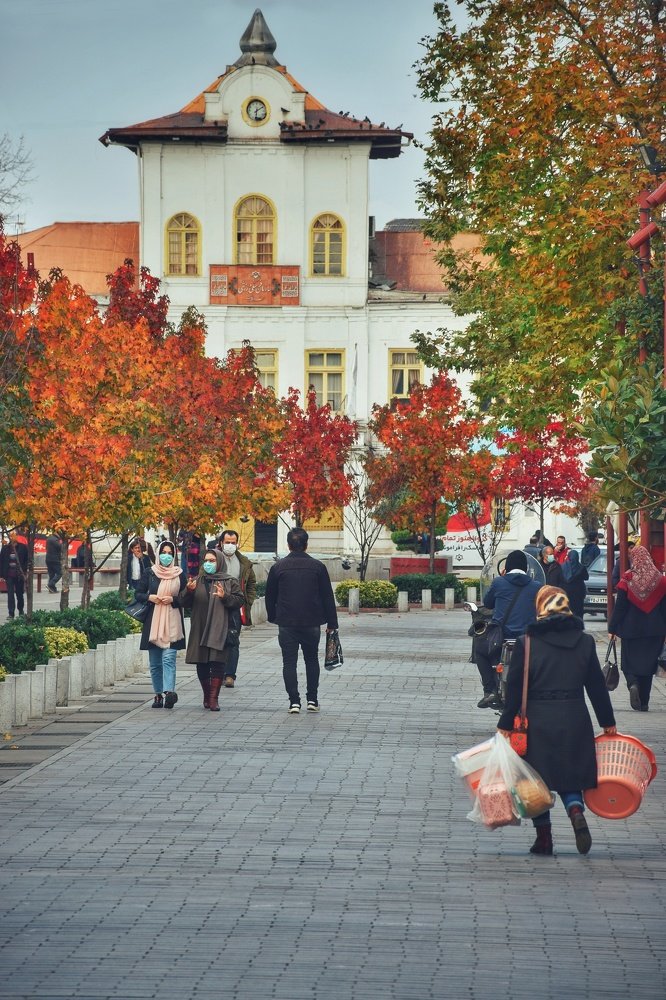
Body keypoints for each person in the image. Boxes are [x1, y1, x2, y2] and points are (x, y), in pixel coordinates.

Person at [498, 586, 617, 856]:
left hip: (537, 719)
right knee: (568, 774)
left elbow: (515, 687)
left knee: (534, 779)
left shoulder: (527, 642)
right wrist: (607, 721)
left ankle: (544, 839)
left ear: (541, 608)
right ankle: (575, 810)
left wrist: (505, 724)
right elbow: (596, 686)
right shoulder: (584, 642)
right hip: (575, 715)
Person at [264, 527, 338, 714]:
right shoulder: (318, 567)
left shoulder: (277, 567)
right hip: (311, 621)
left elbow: (269, 596)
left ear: (288, 545)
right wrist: (332, 624)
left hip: (286, 622)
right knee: (311, 659)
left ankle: (294, 702)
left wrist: (273, 616)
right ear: (306, 545)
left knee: (289, 662)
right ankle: (312, 699)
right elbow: (327, 596)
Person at [475, 549, 543, 708]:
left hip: (501, 637)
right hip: (528, 638)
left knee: (479, 649)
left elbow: (488, 603)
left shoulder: (499, 582)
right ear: (526, 568)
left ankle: (490, 690)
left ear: (507, 566)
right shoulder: (537, 586)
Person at [183, 548, 244, 711]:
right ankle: (206, 694)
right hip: (200, 626)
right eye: (206, 561)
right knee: (202, 662)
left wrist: (225, 597)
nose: (208, 564)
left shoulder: (229, 581)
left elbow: (239, 601)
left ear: (220, 562)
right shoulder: (197, 580)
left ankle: (214, 698)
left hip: (219, 627)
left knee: (217, 662)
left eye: (212, 561)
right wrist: (188, 591)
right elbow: (183, 602)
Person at [608, 545, 666, 712]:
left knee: (628, 663)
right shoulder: (661, 582)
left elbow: (620, 608)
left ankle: (633, 683)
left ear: (634, 559)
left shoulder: (627, 580)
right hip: (654, 631)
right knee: (648, 666)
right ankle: (645, 702)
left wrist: (612, 627)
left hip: (630, 630)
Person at [135, 539, 187, 709]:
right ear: (158, 554)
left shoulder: (179, 574)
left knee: (169, 658)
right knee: (155, 663)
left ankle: (169, 692)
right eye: (163, 552)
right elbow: (138, 594)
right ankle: (158, 694)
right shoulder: (150, 573)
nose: (166, 556)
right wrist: (150, 597)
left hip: (173, 621)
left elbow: (186, 598)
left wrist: (173, 599)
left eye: (169, 553)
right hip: (153, 621)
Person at [217, 529, 257, 688]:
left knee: (233, 641)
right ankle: (217, 673)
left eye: (233, 543)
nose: (230, 545)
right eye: (227, 542)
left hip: (236, 606)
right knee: (217, 640)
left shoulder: (244, 563)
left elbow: (251, 583)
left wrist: (248, 601)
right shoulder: (213, 560)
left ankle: (230, 675)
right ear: (221, 543)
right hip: (217, 606)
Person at [0, 530, 28, 618]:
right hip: (9, 575)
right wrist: (1, 575)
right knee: (10, 594)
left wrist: (25, 571)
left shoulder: (23, 547)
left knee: (20, 594)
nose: (13, 537)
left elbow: (26, 560)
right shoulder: (5, 548)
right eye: (11, 536)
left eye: (14, 535)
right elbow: (1, 562)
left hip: (19, 574)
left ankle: (21, 611)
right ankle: (11, 613)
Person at [562, 549, 589, 619]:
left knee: (567, 609)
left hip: (566, 590)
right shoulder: (581, 567)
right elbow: (586, 577)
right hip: (578, 591)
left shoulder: (563, 566)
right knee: (578, 610)